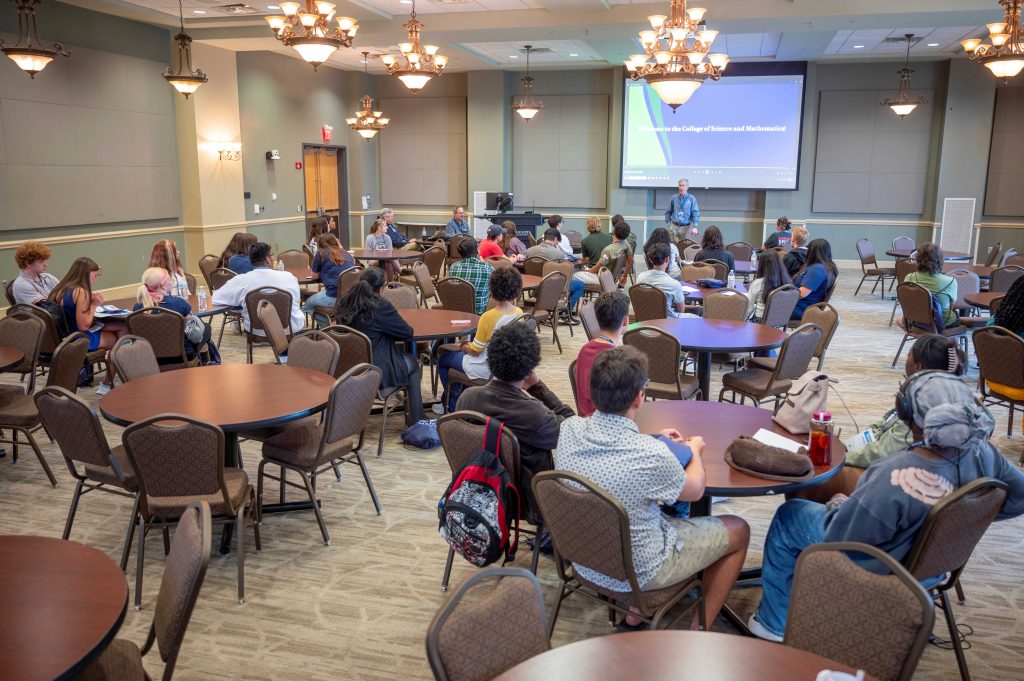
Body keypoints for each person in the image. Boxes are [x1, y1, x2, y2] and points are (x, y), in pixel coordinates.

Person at [749, 370, 1024, 642]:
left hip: (885, 565)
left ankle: (773, 624)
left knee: (790, 515)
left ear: (907, 415)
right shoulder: (985, 454)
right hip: (933, 569)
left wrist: (838, 506)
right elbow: (1017, 498)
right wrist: (959, 520)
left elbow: (844, 540)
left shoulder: (895, 474)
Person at [557, 347, 749, 630]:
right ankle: (700, 630)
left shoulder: (569, 429)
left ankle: (635, 615)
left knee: (647, 514)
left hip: (585, 559)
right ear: (639, 396)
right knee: (738, 529)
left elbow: (613, 450)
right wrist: (694, 449)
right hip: (641, 572)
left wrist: (654, 439)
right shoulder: (652, 455)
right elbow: (695, 490)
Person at [795, 335, 968, 504]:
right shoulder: (929, 393)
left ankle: (812, 520)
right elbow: (883, 425)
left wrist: (839, 457)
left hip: (891, 477)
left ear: (918, 366)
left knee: (810, 478)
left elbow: (881, 454)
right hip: (892, 467)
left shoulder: (923, 409)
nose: (905, 360)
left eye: (908, 355)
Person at [457, 320, 575, 513]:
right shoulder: (535, 414)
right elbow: (572, 428)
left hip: (477, 494)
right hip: (528, 502)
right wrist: (539, 388)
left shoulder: (466, 399)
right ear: (531, 367)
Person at [334, 267, 424, 425]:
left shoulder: (345, 300)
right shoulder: (380, 305)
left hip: (347, 372)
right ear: (381, 287)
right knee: (413, 363)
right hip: (375, 372)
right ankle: (417, 420)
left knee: (403, 358)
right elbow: (407, 333)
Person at [438, 267, 524, 411]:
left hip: (485, 367)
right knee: (458, 360)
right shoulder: (519, 313)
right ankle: (463, 399)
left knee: (444, 359)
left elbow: (475, 351)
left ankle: (451, 404)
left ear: (492, 290)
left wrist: (464, 345)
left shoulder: (488, 316)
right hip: (506, 368)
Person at [49, 257, 127, 395]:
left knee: (121, 327)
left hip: (63, 336)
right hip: (78, 338)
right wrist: (94, 304)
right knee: (120, 338)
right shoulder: (81, 292)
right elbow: (84, 325)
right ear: (86, 274)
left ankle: (110, 380)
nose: (95, 280)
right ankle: (106, 384)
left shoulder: (58, 290)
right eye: (94, 276)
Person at [211, 242, 305, 335]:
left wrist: (239, 302)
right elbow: (296, 302)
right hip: (289, 329)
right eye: (271, 255)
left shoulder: (240, 280)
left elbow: (216, 298)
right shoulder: (289, 277)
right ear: (267, 259)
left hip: (256, 331)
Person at [574, 291, 629, 417]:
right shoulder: (617, 359)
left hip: (586, 420)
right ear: (625, 321)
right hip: (609, 425)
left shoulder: (585, 350)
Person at [133, 267, 207, 360]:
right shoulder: (178, 303)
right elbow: (194, 332)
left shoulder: (138, 307)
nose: (172, 282)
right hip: (181, 356)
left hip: (149, 358)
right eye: (170, 279)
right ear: (163, 285)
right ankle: (205, 365)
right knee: (206, 329)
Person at [526, 229, 585, 316]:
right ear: (555, 239)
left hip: (535, 287)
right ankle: (566, 314)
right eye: (557, 242)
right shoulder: (558, 254)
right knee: (580, 285)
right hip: (552, 286)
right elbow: (564, 272)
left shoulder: (529, 251)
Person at [303, 233, 355, 328]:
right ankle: (335, 324)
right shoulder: (346, 253)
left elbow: (314, 276)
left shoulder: (321, 253)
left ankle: (327, 329)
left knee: (308, 304)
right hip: (351, 297)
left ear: (320, 244)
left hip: (333, 296)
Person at [902, 242, 958, 328]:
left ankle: (919, 333)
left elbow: (907, 302)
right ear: (940, 260)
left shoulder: (909, 278)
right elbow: (952, 306)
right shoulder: (951, 282)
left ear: (918, 259)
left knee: (900, 320)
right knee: (955, 314)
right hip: (941, 323)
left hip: (916, 320)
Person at [637, 243, 694, 319]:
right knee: (699, 319)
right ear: (667, 259)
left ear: (650, 260)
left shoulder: (640, 277)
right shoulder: (674, 284)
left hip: (645, 320)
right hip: (667, 323)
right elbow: (681, 310)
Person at [574, 221, 631, 288]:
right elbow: (630, 261)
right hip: (611, 278)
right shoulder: (626, 244)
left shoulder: (608, 250)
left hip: (601, 279)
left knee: (574, 275)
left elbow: (596, 269)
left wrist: (586, 271)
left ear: (614, 231)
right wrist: (624, 275)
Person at [791, 238, 837, 320]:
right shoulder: (828, 267)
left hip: (800, 309)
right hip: (804, 306)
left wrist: (782, 293)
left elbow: (801, 293)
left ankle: (767, 330)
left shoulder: (817, 269)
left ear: (811, 252)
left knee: (764, 306)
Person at [449, 239, 495, 315]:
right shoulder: (488, 268)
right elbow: (493, 291)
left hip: (458, 311)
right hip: (480, 313)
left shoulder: (453, 267)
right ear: (477, 250)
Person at [745, 250, 791, 323]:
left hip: (760, 321)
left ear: (761, 264)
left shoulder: (758, 283)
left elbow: (748, 308)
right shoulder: (786, 281)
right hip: (779, 321)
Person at [665, 178, 700, 243]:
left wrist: (695, 227)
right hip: (674, 227)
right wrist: (669, 224)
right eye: (680, 185)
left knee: (684, 248)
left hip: (686, 228)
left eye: (683, 185)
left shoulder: (691, 199)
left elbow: (695, 213)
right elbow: (668, 212)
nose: (681, 187)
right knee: (672, 247)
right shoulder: (674, 198)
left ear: (687, 187)